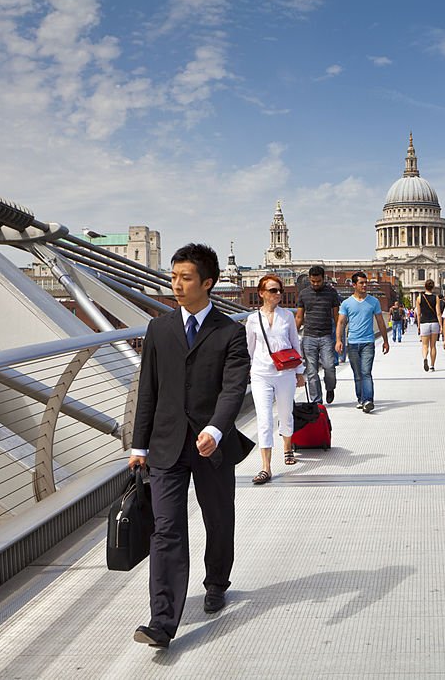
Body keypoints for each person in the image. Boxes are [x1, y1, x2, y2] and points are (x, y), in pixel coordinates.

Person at [129, 243, 250, 650]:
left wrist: (217, 429)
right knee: (166, 531)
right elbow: (148, 390)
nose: (175, 285)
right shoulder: (158, 329)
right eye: (173, 276)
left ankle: (216, 581)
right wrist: (138, 445)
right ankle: (161, 623)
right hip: (165, 446)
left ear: (208, 283)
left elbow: (234, 389)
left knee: (218, 520)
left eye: (185, 278)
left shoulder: (230, 331)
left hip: (210, 446)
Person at [247, 274, 305, 483]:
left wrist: (300, 371)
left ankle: (287, 446)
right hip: (261, 373)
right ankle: (266, 467)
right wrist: (249, 371)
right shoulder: (253, 319)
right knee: (264, 419)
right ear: (262, 293)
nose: (278, 294)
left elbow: (294, 344)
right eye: (273, 290)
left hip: (285, 373)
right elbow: (250, 349)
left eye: (280, 290)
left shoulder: (287, 316)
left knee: (285, 413)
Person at [336, 271, 389, 412]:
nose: (365, 285)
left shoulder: (374, 301)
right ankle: (360, 398)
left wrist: (385, 340)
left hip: (368, 342)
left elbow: (380, 321)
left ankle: (368, 400)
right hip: (352, 343)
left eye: (366, 283)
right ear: (354, 285)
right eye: (361, 283)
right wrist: (338, 341)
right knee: (357, 374)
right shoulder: (346, 303)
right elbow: (341, 323)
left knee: (366, 372)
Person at [296, 265, 339, 404]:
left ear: (323, 279)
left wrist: (339, 338)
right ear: (309, 279)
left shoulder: (331, 293)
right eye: (313, 281)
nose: (315, 284)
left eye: (318, 281)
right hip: (309, 336)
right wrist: (292, 336)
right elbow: (299, 317)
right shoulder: (303, 294)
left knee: (329, 367)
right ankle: (317, 401)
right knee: (311, 371)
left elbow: (336, 316)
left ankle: (330, 387)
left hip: (326, 336)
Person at [415, 279, 442, 372]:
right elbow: (438, 313)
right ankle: (432, 365)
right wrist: (441, 325)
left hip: (424, 323)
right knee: (433, 346)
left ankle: (425, 358)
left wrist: (418, 326)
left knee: (425, 345)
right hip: (434, 323)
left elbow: (418, 314)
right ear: (433, 287)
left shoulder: (419, 298)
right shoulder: (436, 298)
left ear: (425, 287)